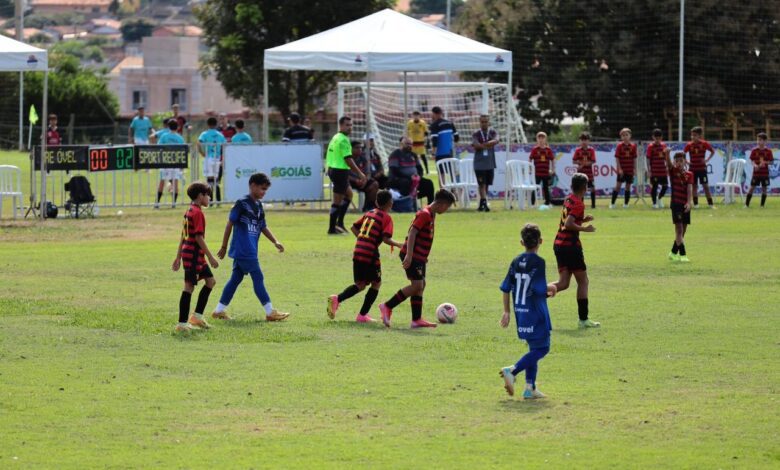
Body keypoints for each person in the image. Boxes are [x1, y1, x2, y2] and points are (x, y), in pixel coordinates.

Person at [212, 173, 290, 321]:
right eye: (262, 189)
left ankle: (218, 310)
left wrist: (275, 241)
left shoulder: (259, 206)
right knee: (258, 277)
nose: (264, 192)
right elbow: (230, 224)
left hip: (249, 249)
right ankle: (270, 312)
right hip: (244, 249)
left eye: (266, 190)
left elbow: (263, 227)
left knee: (235, 279)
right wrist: (223, 246)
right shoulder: (242, 203)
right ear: (252, 185)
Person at [378, 189, 456, 329]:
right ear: (441, 204)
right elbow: (412, 232)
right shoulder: (424, 214)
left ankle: (416, 320)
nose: (447, 209)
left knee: (421, 285)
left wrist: (423, 256)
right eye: (447, 206)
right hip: (412, 255)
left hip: (419, 256)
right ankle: (387, 306)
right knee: (417, 285)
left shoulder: (432, 214)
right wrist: (409, 254)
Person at [327, 190, 404, 323]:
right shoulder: (386, 218)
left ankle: (336, 299)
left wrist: (363, 240)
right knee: (376, 283)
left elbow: (353, 227)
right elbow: (386, 239)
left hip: (358, 251)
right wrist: (399, 244)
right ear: (390, 203)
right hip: (370, 254)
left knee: (361, 284)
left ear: (376, 202)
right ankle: (362, 315)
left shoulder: (369, 213)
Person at [499, 223, 556, 399]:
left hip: (521, 312)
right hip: (537, 313)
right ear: (541, 241)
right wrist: (551, 287)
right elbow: (538, 288)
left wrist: (507, 311)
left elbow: (506, 287)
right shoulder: (539, 263)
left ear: (521, 242)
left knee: (534, 349)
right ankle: (512, 371)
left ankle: (529, 388)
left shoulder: (515, 261)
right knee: (543, 348)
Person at [552, 173, 599, 328]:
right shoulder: (579, 203)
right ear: (585, 187)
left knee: (563, 283)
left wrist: (583, 219)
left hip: (559, 244)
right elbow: (568, 224)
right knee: (583, 281)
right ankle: (583, 319)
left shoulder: (569, 198)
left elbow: (569, 218)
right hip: (570, 246)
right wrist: (585, 228)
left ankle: (535, 293)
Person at [171, 181, 219, 333]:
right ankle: (182, 324)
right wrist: (211, 257)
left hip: (195, 254)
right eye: (208, 195)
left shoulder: (190, 210)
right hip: (192, 255)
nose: (209, 198)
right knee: (189, 287)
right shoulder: (197, 213)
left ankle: (197, 316)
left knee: (210, 281)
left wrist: (178, 256)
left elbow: (183, 235)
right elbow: (198, 237)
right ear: (200, 196)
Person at [326, 116, 367, 235]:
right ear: (341, 125)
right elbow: (348, 159)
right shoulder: (343, 139)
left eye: (351, 125)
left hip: (334, 169)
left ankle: (339, 224)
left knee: (349, 194)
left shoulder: (336, 137)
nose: (350, 127)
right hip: (339, 171)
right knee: (337, 201)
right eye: (347, 125)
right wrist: (360, 173)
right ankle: (332, 228)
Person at [388, 137, 434, 205]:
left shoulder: (413, 155)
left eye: (410, 144)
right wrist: (409, 177)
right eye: (407, 144)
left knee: (428, 183)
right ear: (401, 144)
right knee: (405, 183)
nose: (409, 146)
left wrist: (419, 176)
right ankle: (405, 204)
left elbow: (420, 169)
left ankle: (430, 206)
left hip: (414, 179)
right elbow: (394, 170)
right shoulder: (395, 154)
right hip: (398, 179)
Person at [665, 151, 693, 262]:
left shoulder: (689, 174)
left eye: (681, 161)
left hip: (685, 205)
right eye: (677, 161)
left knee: (683, 231)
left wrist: (689, 202)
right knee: (679, 230)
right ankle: (683, 255)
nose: (679, 163)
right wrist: (667, 154)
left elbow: (689, 189)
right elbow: (668, 164)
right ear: (674, 162)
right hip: (676, 204)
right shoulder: (673, 171)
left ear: (685, 161)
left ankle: (672, 252)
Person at [156, 120, 186, 209]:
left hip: (165, 161)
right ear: (177, 127)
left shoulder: (164, 136)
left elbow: (159, 147)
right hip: (176, 162)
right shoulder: (180, 138)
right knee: (175, 182)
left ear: (168, 127)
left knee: (162, 181)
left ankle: (157, 203)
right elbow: (183, 150)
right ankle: (173, 203)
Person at [472, 115, 500, 212]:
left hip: (490, 163)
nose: (484, 123)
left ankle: (482, 204)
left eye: (485, 122)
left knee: (487, 184)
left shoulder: (492, 132)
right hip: (479, 164)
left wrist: (483, 144)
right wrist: (488, 144)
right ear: (479, 123)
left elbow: (496, 140)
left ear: (489, 122)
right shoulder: (476, 133)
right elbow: (475, 144)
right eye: (482, 122)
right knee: (481, 184)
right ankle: (484, 202)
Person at [683, 126, 716, 208]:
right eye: (692, 135)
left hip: (702, 169)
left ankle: (711, 204)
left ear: (699, 136)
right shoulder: (689, 145)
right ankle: (696, 204)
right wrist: (686, 162)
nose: (693, 137)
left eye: (695, 135)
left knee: (706, 186)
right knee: (694, 186)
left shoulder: (704, 144)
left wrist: (707, 160)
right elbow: (683, 153)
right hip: (692, 170)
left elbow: (712, 151)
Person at [197, 117, 227, 205]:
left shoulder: (205, 134)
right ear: (216, 124)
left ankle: (210, 200)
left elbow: (198, 143)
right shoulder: (220, 134)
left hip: (209, 158)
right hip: (217, 158)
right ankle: (218, 200)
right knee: (216, 180)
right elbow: (224, 145)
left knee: (209, 180)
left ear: (208, 124)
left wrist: (202, 152)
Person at [348, 140, 379, 211]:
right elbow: (345, 175)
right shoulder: (347, 159)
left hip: (362, 180)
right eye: (357, 148)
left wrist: (365, 180)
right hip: (350, 181)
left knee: (374, 184)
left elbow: (368, 172)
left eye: (361, 148)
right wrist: (355, 180)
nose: (360, 149)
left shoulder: (363, 158)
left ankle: (368, 207)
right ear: (351, 149)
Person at [610, 128, 637, 208]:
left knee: (628, 187)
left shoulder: (633, 146)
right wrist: (619, 169)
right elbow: (617, 158)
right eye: (623, 135)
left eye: (626, 135)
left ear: (630, 136)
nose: (625, 137)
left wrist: (634, 169)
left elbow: (634, 158)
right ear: (621, 137)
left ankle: (626, 204)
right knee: (618, 186)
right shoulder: (619, 146)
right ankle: (612, 203)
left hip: (630, 170)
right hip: (622, 170)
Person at [746, 132, 773, 208]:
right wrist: (755, 165)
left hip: (765, 174)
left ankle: (762, 206)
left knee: (764, 189)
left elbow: (772, 162)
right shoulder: (754, 150)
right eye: (757, 140)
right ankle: (746, 205)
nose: (758, 141)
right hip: (756, 174)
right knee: (751, 188)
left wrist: (765, 162)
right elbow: (752, 160)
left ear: (765, 141)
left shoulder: (768, 151)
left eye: (760, 140)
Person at [529, 131, 555, 207]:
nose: (541, 139)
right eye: (539, 138)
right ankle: (532, 203)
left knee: (546, 188)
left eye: (542, 138)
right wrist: (530, 168)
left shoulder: (548, 150)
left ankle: (547, 203)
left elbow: (552, 159)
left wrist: (553, 170)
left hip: (545, 173)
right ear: (537, 139)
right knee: (535, 188)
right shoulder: (534, 150)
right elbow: (530, 159)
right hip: (537, 173)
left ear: (545, 139)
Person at [429, 106, 459, 170]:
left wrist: (433, 154)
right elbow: (457, 137)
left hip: (440, 153)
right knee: (451, 172)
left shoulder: (434, 125)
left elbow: (435, 140)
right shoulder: (450, 123)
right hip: (449, 152)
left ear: (434, 114)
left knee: (441, 173)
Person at [572, 132, 597, 209]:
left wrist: (583, 164)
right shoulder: (577, 150)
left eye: (585, 140)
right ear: (580, 141)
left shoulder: (591, 150)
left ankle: (593, 205)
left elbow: (593, 161)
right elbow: (574, 161)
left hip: (589, 174)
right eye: (582, 140)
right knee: (580, 190)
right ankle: (580, 205)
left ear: (588, 141)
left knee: (592, 189)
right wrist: (579, 162)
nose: (584, 142)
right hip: (580, 175)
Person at [646, 128, 669, 209]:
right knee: (654, 187)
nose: (658, 140)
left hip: (663, 170)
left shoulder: (664, 145)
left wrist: (668, 167)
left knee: (665, 186)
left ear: (661, 137)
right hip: (654, 171)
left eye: (659, 138)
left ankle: (659, 198)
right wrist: (649, 170)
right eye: (656, 138)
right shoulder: (650, 146)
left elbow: (666, 158)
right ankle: (654, 203)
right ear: (653, 137)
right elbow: (648, 159)